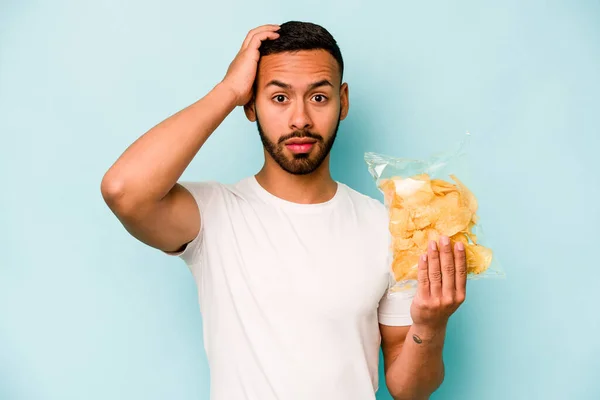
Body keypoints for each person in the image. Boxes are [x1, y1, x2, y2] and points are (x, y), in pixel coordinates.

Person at [101, 21, 467, 400]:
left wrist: (432, 323)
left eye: (319, 98)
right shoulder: (212, 215)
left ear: (343, 101)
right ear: (250, 104)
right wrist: (227, 90)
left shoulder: (385, 225)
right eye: (279, 98)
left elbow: (410, 390)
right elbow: (123, 190)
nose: (300, 119)